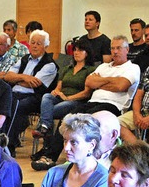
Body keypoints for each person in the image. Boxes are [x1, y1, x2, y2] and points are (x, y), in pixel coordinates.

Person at [32, 36, 140, 171]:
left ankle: (79, 158)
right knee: (69, 119)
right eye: (112, 48)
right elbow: (89, 82)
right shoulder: (103, 66)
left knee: (85, 122)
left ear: (127, 49)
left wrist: (100, 81)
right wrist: (111, 81)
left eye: (119, 48)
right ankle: (49, 157)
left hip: (113, 106)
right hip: (93, 102)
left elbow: (121, 86)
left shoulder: (132, 67)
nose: (115, 51)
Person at [34, 113, 109, 187]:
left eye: (74, 142)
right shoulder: (53, 173)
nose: (66, 148)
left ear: (91, 145)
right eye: (65, 141)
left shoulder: (103, 180)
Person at [4, 30, 59, 155]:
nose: (34, 46)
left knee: (16, 106)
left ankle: (8, 145)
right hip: (15, 93)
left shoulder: (50, 64)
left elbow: (35, 83)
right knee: (2, 103)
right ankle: (0, 141)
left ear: (45, 46)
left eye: (38, 43)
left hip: (35, 97)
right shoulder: (24, 59)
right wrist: (25, 78)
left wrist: (17, 79)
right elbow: (8, 76)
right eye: (32, 42)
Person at [32, 40, 95, 138]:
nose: (76, 53)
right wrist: (57, 92)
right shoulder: (67, 69)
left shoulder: (90, 70)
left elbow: (86, 93)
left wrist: (68, 98)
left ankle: (45, 127)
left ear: (87, 53)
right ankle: (46, 128)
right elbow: (58, 87)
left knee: (49, 110)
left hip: (76, 101)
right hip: (61, 97)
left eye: (80, 50)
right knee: (47, 96)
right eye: (75, 50)